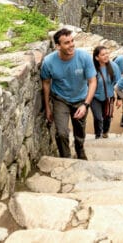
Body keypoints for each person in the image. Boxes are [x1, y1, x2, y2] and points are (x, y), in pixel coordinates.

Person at [40, 28, 96, 160]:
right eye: (66, 43)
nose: (71, 45)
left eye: (72, 41)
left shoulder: (84, 57)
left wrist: (86, 105)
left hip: (81, 99)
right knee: (61, 133)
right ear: (58, 46)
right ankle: (65, 158)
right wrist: (48, 108)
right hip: (60, 99)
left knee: (79, 131)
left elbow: (93, 81)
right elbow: (46, 83)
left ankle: (80, 150)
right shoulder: (49, 62)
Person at [90, 45, 120, 140]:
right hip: (95, 97)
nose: (106, 56)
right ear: (97, 57)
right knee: (98, 117)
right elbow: (86, 83)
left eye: (107, 53)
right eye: (103, 54)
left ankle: (105, 132)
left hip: (109, 97)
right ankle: (98, 134)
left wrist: (119, 98)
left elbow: (118, 83)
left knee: (107, 117)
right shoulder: (91, 68)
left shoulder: (114, 66)